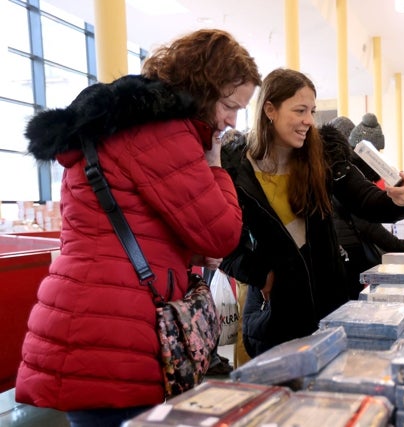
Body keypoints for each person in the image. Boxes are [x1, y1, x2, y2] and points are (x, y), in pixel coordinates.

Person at [16, 29, 261, 427]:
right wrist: (215, 163)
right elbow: (221, 234)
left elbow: (115, 225)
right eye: (229, 104)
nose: (232, 120)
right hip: (118, 334)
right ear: (202, 87)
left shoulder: (114, 124)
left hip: (87, 317)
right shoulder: (162, 131)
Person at [220, 68, 404, 357]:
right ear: (270, 109)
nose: (309, 121)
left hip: (329, 308)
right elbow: (221, 243)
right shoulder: (237, 170)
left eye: (312, 111)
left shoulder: (323, 155)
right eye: (300, 110)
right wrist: (260, 274)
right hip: (275, 315)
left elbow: (365, 200)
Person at [327, 116, 404, 298]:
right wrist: (401, 246)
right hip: (347, 254)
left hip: (344, 254)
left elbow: (372, 208)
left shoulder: (347, 175)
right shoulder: (342, 177)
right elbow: (366, 220)